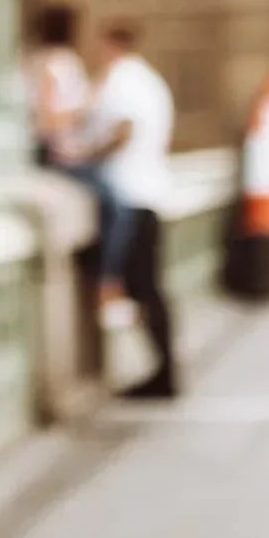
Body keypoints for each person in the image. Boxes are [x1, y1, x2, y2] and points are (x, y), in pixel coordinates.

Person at [86, 21, 178, 399]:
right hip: (153, 192)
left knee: (136, 288)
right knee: (150, 288)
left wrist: (86, 155)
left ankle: (160, 374)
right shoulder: (151, 81)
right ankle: (163, 371)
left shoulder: (122, 78)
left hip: (131, 197)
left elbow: (124, 131)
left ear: (111, 44)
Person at [25, 2, 130, 320]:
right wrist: (85, 107)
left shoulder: (48, 62)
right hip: (62, 155)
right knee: (115, 206)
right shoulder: (56, 63)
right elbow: (48, 121)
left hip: (72, 151)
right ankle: (107, 283)